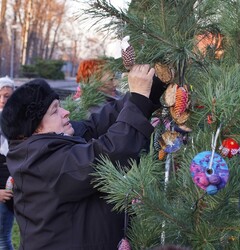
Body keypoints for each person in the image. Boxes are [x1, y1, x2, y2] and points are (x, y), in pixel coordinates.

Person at [1, 64, 167, 250]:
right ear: (35, 128)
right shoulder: (42, 162)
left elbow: (97, 125)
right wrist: (138, 101)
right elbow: (110, 154)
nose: (66, 113)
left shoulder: (45, 144)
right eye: (55, 111)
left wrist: (151, 89)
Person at [0, 76, 15, 250]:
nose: (2, 100)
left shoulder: (17, 122)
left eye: (7, 96)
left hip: (14, 189)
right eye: (0, 95)